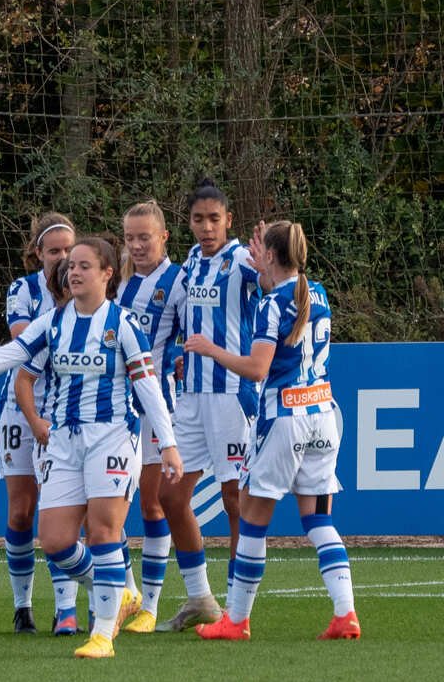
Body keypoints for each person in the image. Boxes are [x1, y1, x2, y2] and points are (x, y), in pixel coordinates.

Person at [0, 236, 184, 659]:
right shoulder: (55, 322)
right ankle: (115, 592)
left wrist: (167, 444)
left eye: (83, 266)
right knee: (56, 541)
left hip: (112, 436)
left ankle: (101, 634)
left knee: (102, 532)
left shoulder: (124, 324)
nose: (73, 272)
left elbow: (147, 386)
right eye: (71, 267)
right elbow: (7, 357)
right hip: (62, 440)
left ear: (107, 274)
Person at [189, 220, 360, 641]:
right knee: (318, 518)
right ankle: (345, 614)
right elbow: (281, 291)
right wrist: (264, 263)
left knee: (252, 519)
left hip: (285, 418)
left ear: (270, 255)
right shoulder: (315, 293)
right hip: (322, 414)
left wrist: (212, 350)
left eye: (261, 251)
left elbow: (258, 368)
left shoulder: (271, 304)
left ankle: (236, 620)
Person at [154, 179, 259, 632]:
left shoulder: (242, 261)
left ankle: (237, 611)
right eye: (198, 219)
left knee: (235, 499)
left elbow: (281, 283)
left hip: (231, 395)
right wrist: (178, 353)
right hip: (190, 397)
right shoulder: (192, 263)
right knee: (169, 494)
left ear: (228, 221)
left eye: (214, 219)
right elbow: (183, 322)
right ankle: (201, 597)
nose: (206, 227)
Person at [0, 213, 77, 635]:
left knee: (59, 508)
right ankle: (22, 604)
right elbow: (24, 341)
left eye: (68, 249)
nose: (62, 257)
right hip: (19, 407)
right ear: (38, 254)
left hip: (65, 409)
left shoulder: (88, 290)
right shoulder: (23, 289)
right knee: (21, 511)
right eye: (54, 251)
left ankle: (65, 609)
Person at [115, 201, 186, 634]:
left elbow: (192, 326)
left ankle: (152, 605)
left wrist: (178, 353)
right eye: (130, 238)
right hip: (116, 409)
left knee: (152, 502)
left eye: (145, 237)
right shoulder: (116, 279)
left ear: (163, 237)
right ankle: (127, 591)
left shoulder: (178, 280)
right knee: (113, 506)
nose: (137, 245)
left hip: (157, 405)